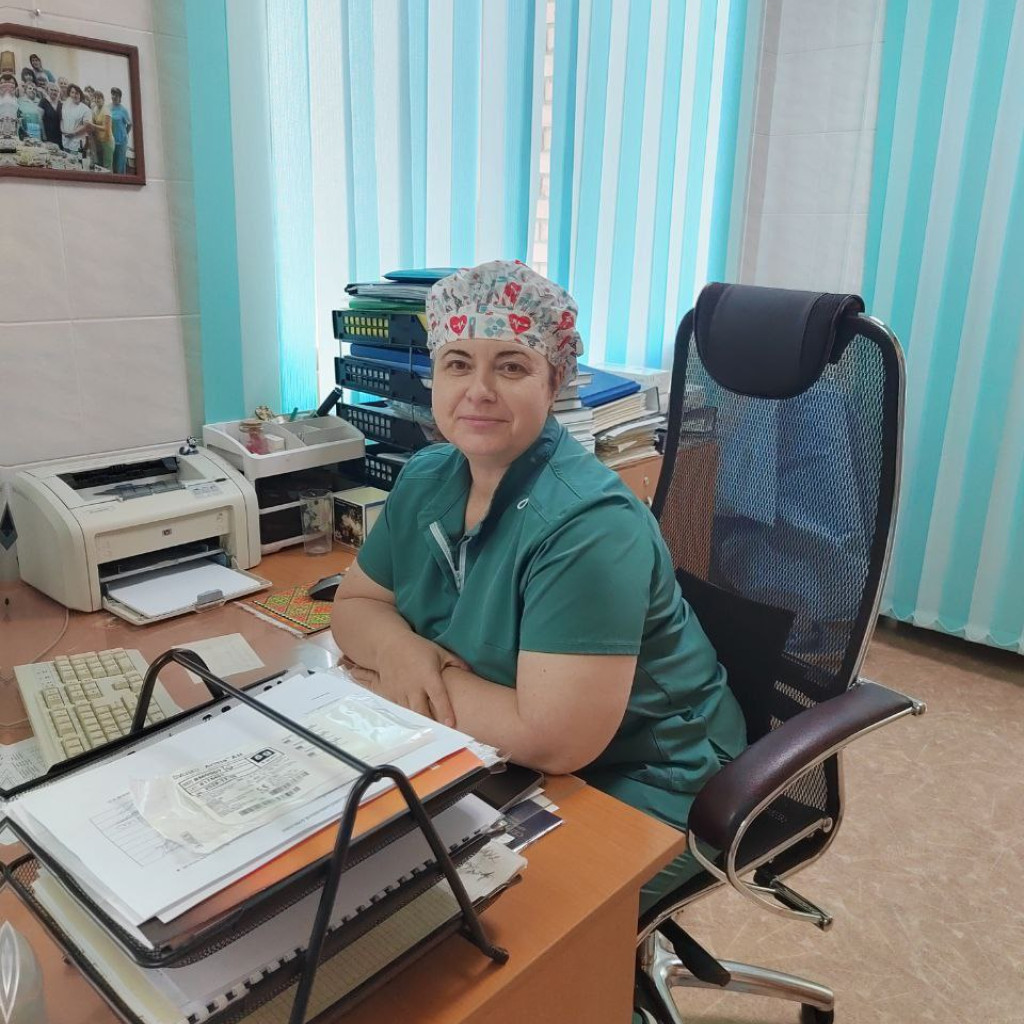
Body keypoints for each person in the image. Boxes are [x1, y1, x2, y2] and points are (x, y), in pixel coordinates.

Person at [331, 260, 747, 919]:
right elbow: (355, 606)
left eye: (512, 366)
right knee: (359, 878)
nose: (479, 390)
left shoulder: (589, 526)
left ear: (555, 382)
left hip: (648, 776)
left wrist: (389, 682)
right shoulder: (427, 477)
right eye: (458, 363)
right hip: (497, 751)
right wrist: (402, 653)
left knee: (480, 926)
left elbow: (555, 738)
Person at [59, 83, 91, 158]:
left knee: (76, 163)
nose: (74, 95)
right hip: (65, 141)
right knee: (66, 161)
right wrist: (62, 130)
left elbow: (86, 126)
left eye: (77, 93)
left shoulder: (85, 109)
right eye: (72, 92)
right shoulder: (65, 105)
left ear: (80, 94)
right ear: (69, 94)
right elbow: (62, 119)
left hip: (77, 144)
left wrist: (73, 133)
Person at [109, 87, 131, 173]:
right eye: (113, 94)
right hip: (110, 141)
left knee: (120, 166)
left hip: (121, 142)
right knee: (112, 165)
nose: (114, 97)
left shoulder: (123, 110)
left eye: (116, 95)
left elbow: (129, 124)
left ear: (120, 97)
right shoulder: (108, 107)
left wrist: (124, 134)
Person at [89, 89, 113, 169]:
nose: (96, 100)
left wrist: (92, 125)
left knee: (107, 166)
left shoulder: (106, 111)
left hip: (107, 141)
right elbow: (92, 121)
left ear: (103, 99)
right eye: (95, 98)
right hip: (98, 141)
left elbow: (106, 128)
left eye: (99, 98)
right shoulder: (95, 109)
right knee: (99, 164)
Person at [39, 82, 62, 147]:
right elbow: (39, 120)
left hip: (59, 136)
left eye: (56, 90)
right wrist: (43, 136)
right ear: (47, 90)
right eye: (51, 90)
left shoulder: (60, 104)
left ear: (59, 93)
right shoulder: (43, 102)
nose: (54, 92)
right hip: (47, 135)